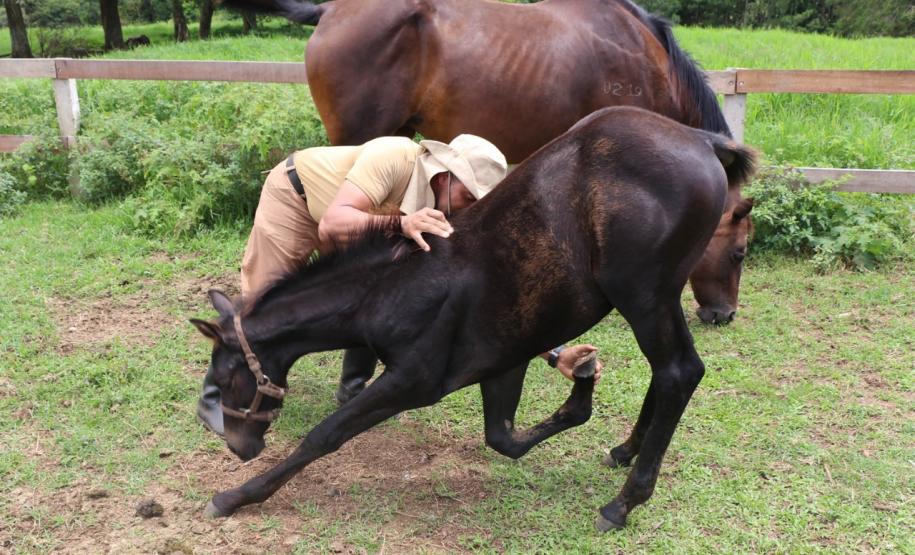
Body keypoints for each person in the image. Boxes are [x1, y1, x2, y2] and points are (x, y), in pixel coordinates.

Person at [197, 135, 603, 436]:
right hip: (299, 200)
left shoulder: (449, 214)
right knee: (261, 311)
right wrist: (401, 223)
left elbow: (484, 302)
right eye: (468, 194)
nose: (471, 206)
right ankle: (215, 396)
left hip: (359, 226)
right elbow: (333, 222)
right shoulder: (393, 156)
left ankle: (352, 388)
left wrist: (553, 353)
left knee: (375, 298)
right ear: (446, 176)